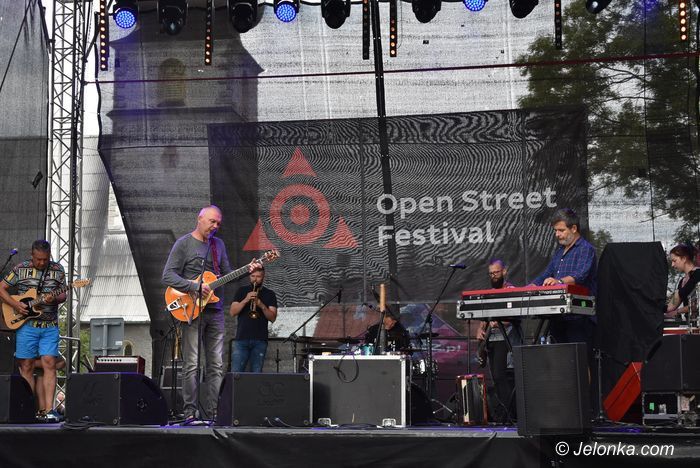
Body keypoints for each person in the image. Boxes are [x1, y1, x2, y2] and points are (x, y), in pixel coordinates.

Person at [162, 205, 234, 422]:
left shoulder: (218, 245)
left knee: (216, 365)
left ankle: (213, 413)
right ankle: (189, 412)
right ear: (200, 219)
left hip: (215, 311)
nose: (216, 226)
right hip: (191, 310)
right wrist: (194, 286)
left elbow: (227, 274)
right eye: (212, 221)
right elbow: (167, 276)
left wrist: (246, 271)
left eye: (218, 223)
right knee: (192, 364)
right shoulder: (184, 244)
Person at [0, 240, 66, 422]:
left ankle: (49, 410)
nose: (42, 262)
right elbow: (1, 288)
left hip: (49, 326)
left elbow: (63, 294)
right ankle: (28, 409)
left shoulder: (58, 270)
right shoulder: (20, 269)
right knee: (26, 366)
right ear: (32, 255)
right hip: (26, 326)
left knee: (49, 363)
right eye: (38, 259)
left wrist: (55, 299)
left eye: (45, 259)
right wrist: (15, 305)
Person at [531, 208, 597, 360]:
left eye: (561, 230)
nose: (557, 234)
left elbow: (581, 275)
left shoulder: (586, 249)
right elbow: (547, 273)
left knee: (580, 361)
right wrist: (531, 287)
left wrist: (559, 282)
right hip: (559, 316)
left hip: (580, 316)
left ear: (573, 228)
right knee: (561, 361)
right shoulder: (559, 252)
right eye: (555, 230)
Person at [475, 259, 522, 424]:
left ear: (504, 271)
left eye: (496, 272)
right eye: (490, 273)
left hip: (506, 338)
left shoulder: (511, 291)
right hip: (491, 339)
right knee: (496, 377)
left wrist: (501, 321)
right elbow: (484, 318)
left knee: (503, 376)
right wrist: (480, 329)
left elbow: (516, 315)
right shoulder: (490, 293)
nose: (493, 276)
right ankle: (505, 413)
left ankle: (512, 415)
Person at [229, 266, 278, 372]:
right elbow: (232, 312)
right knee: (236, 373)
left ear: (263, 277)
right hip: (241, 339)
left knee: (256, 374)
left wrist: (261, 305)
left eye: (258, 277)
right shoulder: (241, 291)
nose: (255, 279)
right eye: (252, 276)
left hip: (260, 340)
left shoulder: (270, 294)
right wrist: (246, 300)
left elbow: (272, 318)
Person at [665, 243, 700, 320]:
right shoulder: (682, 281)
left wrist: (678, 311)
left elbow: (698, 303)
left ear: (684, 259)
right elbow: (672, 305)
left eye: (674, 261)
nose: (672, 265)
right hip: (690, 323)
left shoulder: (698, 275)